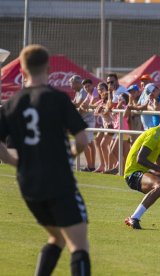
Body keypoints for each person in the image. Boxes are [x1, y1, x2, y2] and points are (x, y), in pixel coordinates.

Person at [0, 44, 91, 275]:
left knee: (56, 237)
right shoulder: (57, 99)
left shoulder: (11, 104)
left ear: (22, 70)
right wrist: (72, 153)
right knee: (78, 246)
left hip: (28, 183)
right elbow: (82, 139)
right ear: (48, 68)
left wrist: (13, 161)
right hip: (59, 179)